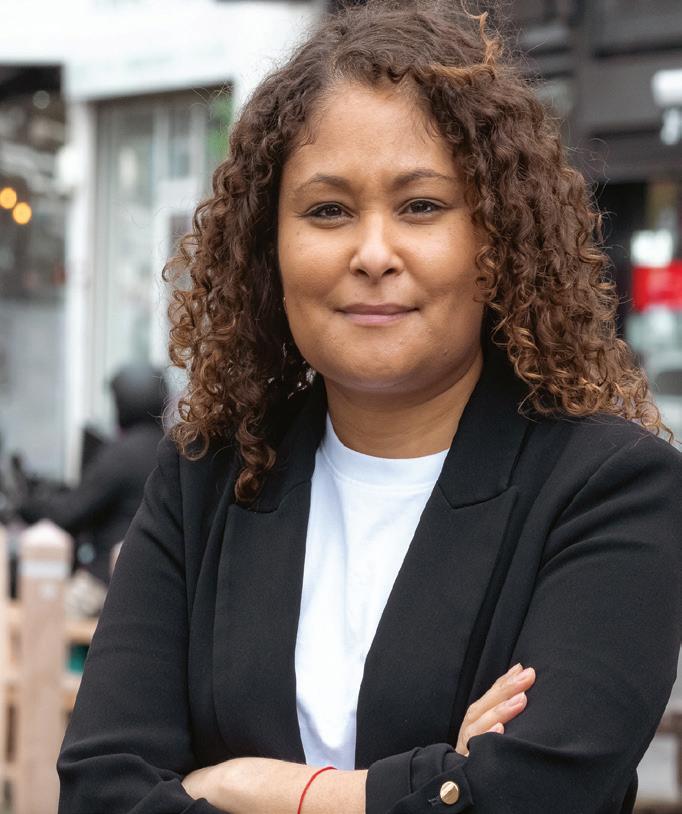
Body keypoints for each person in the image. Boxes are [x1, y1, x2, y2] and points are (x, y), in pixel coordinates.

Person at [57, 2, 682, 812]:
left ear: (495, 241)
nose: (373, 253)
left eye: (421, 206)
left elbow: (534, 794)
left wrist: (251, 786)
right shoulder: (206, 478)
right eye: (328, 210)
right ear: (269, 247)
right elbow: (101, 790)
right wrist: (441, 781)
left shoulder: (612, 490)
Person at [18, 362, 167, 604]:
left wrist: (26, 504)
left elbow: (69, 514)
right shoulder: (172, 451)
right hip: (155, 586)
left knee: (42, 605)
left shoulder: (121, 454)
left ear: (122, 404)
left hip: (106, 585)